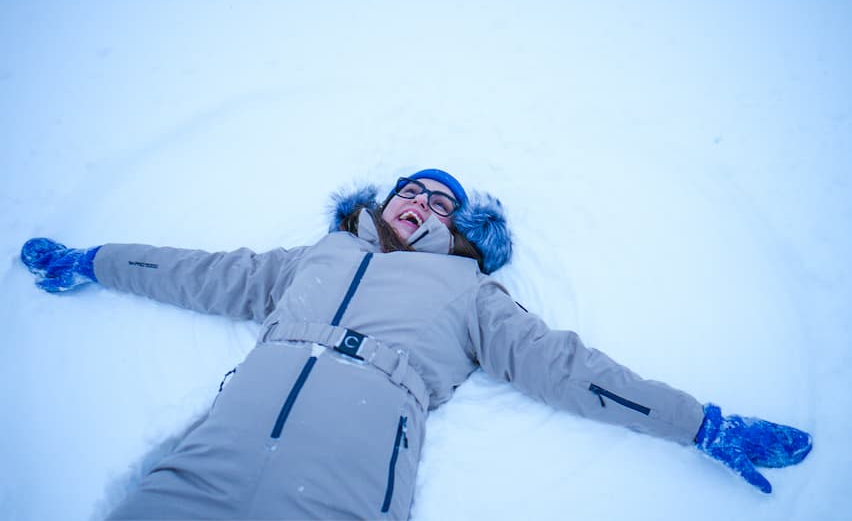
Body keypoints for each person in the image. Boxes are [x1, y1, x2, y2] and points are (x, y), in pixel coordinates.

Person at [20, 168, 812, 520]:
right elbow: (195, 273)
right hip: (206, 462)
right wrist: (93, 261)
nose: (420, 201)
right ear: (383, 202)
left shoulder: (470, 293)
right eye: (411, 189)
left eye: (439, 201)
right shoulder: (315, 258)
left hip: (346, 477)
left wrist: (700, 423)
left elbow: (573, 372)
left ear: (456, 229)